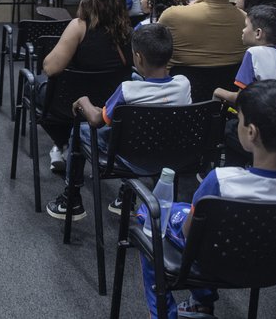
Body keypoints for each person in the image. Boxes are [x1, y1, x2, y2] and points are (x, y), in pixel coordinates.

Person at [139, 80, 276, 319]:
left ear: (252, 132)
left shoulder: (221, 181)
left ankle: (170, 312)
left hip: (219, 262)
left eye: (240, 119)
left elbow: (188, 233)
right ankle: (199, 306)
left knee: (150, 219)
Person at [46, 24, 190, 221]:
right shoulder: (184, 84)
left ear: (138, 57)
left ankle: (71, 200)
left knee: (80, 130)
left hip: (130, 158)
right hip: (169, 156)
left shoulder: (127, 91)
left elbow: (97, 120)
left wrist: (84, 101)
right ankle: (125, 198)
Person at [39, 0, 134, 173]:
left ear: (87, 0)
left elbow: (50, 68)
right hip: (111, 106)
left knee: (34, 87)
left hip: (71, 104)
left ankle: (63, 143)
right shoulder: (128, 28)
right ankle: (70, 143)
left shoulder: (79, 26)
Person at [214, 5, 276, 166]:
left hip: (266, 128)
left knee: (231, 128)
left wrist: (218, 91)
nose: (243, 30)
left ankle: (232, 170)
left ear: (258, 33)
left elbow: (242, 98)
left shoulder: (254, 53)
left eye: (246, 26)